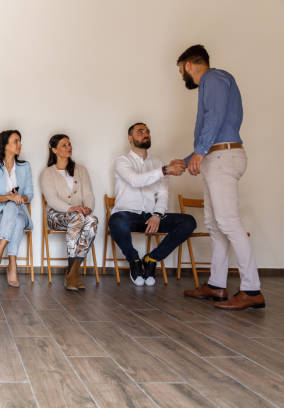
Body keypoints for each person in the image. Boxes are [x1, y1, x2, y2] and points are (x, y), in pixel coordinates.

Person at [177, 45, 265, 309]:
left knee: (228, 222)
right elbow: (214, 129)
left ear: (188, 65)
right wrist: (186, 160)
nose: (182, 74)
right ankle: (216, 285)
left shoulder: (213, 79)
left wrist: (200, 152)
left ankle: (251, 289)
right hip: (216, 156)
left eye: (181, 69)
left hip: (222, 158)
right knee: (215, 224)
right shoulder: (214, 82)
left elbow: (214, 119)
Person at [108, 123, 196, 286]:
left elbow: (163, 194)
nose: (145, 134)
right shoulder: (122, 161)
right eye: (140, 132)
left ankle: (151, 259)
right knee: (115, 220)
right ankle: (134, 260)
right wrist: (164, 170)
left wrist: (157, 215)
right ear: (130, 138)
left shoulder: (157, 162)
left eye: (147, 132)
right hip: (128, 215)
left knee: (188, 221)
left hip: (151, 217)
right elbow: (135, 180)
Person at [40, 134, 97, 291]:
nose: (68, 147)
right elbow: (51, 199)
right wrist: (71, 209)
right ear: (54, 150)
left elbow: (89, 195)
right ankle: (73, 274)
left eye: (69, 144)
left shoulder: (81, 170)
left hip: (79, 215)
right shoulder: (47, 173)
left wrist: (88, 208)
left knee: (92, 220)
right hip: (56, 215)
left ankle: (72, 273)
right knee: (77, 218)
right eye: (64, 145)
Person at [0, 130, 33, 287]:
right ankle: (12, 264)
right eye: (16, 141)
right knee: (17, 220)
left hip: (21, 210)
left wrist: (19, 198)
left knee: (14, 208)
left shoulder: (25, 166)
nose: (20, 144)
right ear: (5, 145)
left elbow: (29, 195)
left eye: (20, 141)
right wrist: (9, 197)